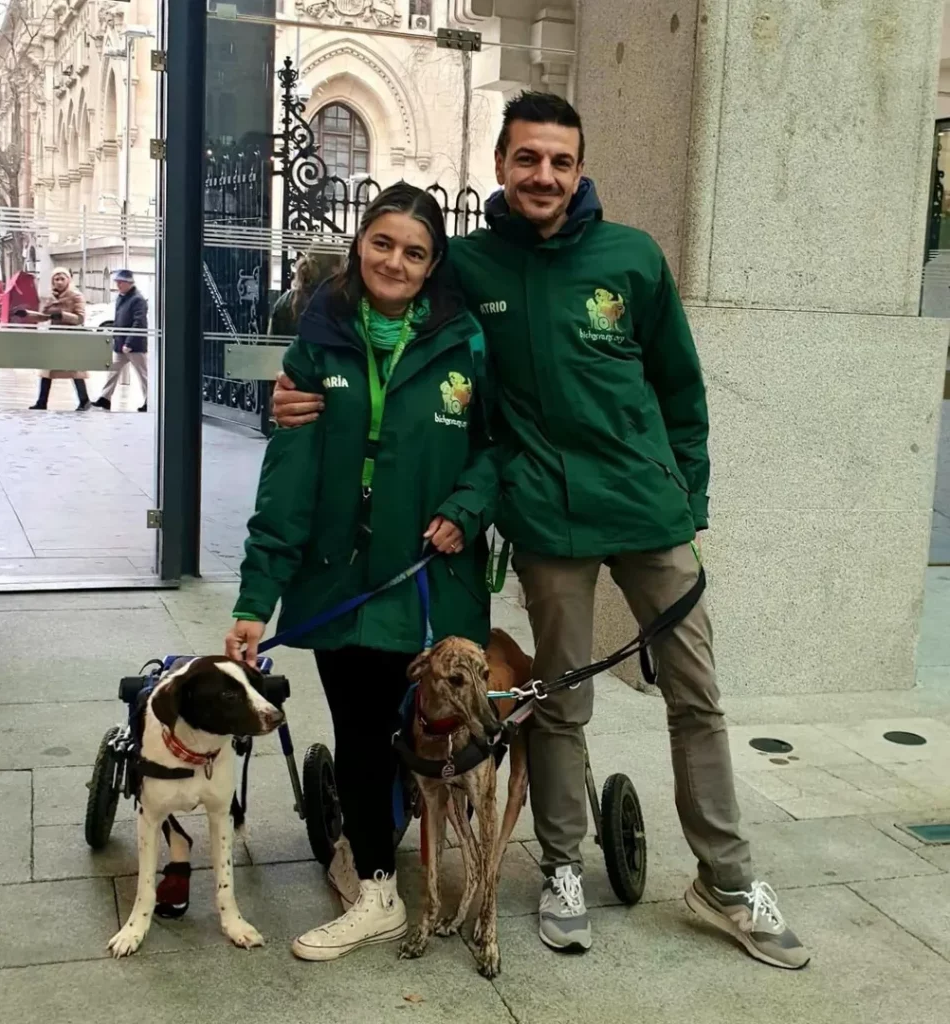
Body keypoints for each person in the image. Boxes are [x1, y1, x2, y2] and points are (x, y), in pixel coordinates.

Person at [272, 93, 809, 970]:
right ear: (500, 164)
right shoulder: (468, 265)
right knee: (557, 703)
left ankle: (726, 880)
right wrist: (299, 383)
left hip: (648, 512)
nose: (544, 175)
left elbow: (681, 388)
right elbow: (375, 294)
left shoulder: (633, 257)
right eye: (527, 158)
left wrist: (690, 496)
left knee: (696, 696)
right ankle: (562, 866)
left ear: (580, 168)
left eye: (561, 161)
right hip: (549, 521)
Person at [224, 183, 498, 963]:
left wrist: (468, 506)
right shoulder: (319, 342)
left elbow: (495, 447)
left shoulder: (466, 343)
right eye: (382, 243)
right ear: (358, 245)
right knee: (361, 736)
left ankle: (424, 849)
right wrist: (254, 600)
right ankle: (379, 888)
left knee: (439, 733)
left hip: (429, 582)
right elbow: (287, 485)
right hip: (341, 584)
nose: (395, 262)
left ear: (433, 264)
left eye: (414, 251)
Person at [26, 267, 90, 411]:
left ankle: (85, 401)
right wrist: (27, 314)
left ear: (68, 280)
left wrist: (62, 315)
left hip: (70, 338)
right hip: (55, 338)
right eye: (56, 279)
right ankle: (42, 402)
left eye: (62, 279)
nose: (59, 282)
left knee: (75, 370)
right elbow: (44, 316)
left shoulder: (76, 296)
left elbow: (80, 318)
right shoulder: (51, 297)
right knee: (47, 370)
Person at [93, 269, 148, 412]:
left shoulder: (137, 299)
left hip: (134, 346)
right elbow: (119, 320)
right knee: (112, 370)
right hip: (121, 344)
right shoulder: (121, 298)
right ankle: (105, 398)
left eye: (121, 282)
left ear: (129, 283)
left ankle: (150, 400)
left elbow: (139, 322)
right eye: (117, 282)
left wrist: (129, 342)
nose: (118, 285)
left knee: (142, 374)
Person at [268, 247, 346, 338]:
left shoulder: (283, 302)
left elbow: (270, 341)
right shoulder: (339, 305)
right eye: (343, 268)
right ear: (334, 270)